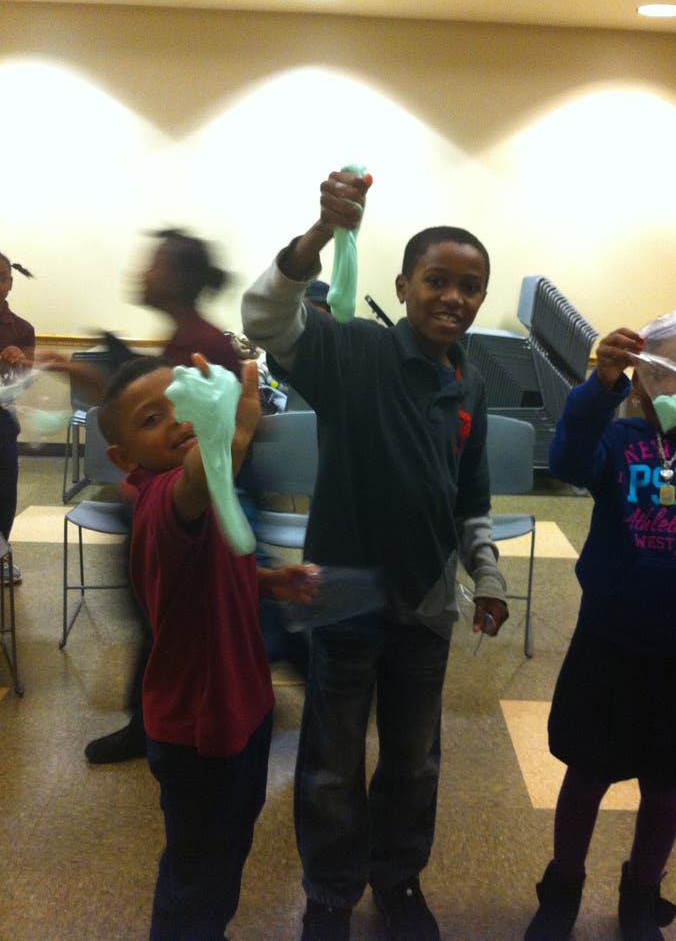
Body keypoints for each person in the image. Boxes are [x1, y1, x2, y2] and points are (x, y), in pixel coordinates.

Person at [241, 169, 509, 941]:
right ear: (403, 283)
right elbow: (264, 315)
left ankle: (399, 881)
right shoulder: (354, 352)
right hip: (345, 598)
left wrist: (485, 577)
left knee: (415, 760)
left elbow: (471, 499)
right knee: (329, 758)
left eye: (471, 286)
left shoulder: (470, 383)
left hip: (425, 605)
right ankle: (329, 892)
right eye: (438, 281)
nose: (454, 297)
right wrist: (322, 232)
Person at [524, 322, 676, 941]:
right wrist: (599, 385)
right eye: (666, 371)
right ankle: (562, 889)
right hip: (611, 641)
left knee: (668, 784)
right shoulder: (618, 440)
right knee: (586, 774)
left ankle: (641, 895)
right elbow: (568, 460)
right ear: (645, 380)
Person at [97, 352, 316, 940]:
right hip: (199, 729)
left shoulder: (205, 498)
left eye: (181, 404)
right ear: (124, 458)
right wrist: (233, 434)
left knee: (222, 853)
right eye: (150, 420)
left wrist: (268, 580)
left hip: (240, 709)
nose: (175, 421)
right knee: (197, 872)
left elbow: (211, 567)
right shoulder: (165, 499)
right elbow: (196, 484)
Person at [71, 228, 244, 764]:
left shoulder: (203, 345)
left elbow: (210, 438)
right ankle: (150, 721)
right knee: (166, 615)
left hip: (204, 506)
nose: (143, 273)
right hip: (174, 504)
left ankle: (156, 724)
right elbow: (139, 416)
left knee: (181, 617)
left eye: (155, 264)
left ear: (178, 278)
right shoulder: (182, 339)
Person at [0, 251, 35, 584]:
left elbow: (22, 387)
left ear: (10, 283)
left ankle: (1, 557)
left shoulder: (22, 330)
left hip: (1, 424)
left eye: (0, 277)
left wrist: (18, 366)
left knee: (4, 492)